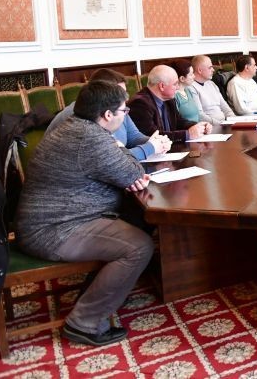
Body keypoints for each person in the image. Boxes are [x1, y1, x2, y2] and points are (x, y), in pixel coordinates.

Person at [14, 81, 154, 347]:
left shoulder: (77, 127)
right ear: (108, 115)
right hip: (55, 230)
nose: (126, 115)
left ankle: (102, 289)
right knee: (138, 246)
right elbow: (132, 172)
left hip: (60, 219)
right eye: (124, 110)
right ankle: (85, 323)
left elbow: (124, 167)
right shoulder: (89, 138)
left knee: (139, 219)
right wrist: (123, 156)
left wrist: (121, 157)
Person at [46, 69, 171, 160]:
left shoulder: (119, 109)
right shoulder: (82, 116)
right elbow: (111, 158)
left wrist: (156, 142)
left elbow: (134, 137)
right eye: (120, 93)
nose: (125, 99)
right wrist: (150, 148)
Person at [128, 65, 211, 143]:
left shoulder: (168, 99)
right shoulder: (140, 104)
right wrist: (187, 134)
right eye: (175, 84)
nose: (177, 87)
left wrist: (199, 126)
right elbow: (152, 136)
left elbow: (179, 122)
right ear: (162, 86)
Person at [191, 55, 235, 123]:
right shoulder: (191, 87)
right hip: (211, 125)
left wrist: (234, 120)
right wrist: (220, 124)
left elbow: (225, 107)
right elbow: (200, 115)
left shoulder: (212, 84)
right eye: (210, 67)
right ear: (200, 70)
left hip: (224, 123)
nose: (213, 70)